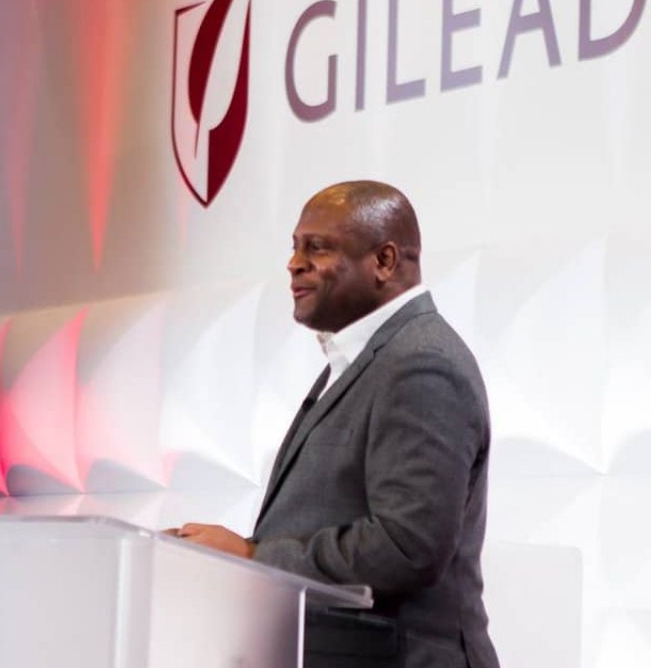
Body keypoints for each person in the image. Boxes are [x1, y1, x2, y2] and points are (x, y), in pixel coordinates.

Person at [169, 181, 498, 668]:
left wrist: (254, 558)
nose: (294, 263)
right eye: (295, 247)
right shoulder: (366, 359)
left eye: (317, 247)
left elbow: (407, 546)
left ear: (384, 261)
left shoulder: (422, 363)